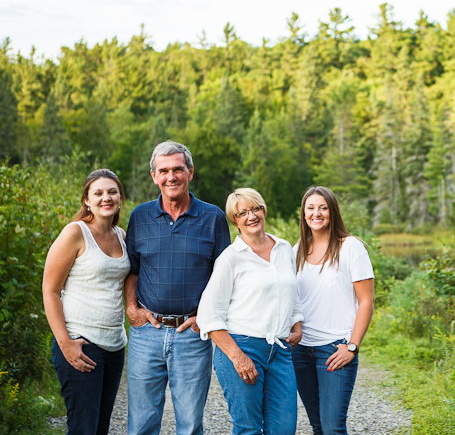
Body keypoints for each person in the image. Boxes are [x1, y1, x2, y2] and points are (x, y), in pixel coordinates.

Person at [124, 141, 231, 435]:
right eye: (164, 171)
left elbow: (225, 279)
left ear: (190, 172)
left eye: (178, 169)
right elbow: (132, 270)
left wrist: (205, 318)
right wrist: (132, 309)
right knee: (141, 423)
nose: (171, 176)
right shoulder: (140, 216)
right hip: (147, 333)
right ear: (154, 176)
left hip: (192, 334)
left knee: (189, 424)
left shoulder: (213, 218)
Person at [197, 188, 303, 435]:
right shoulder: (230, 259)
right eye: (242, 212)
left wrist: (296, 323)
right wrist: (238, 357)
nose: (251, 216)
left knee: (284, 429)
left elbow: (290, 291)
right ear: (235, 221)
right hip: (243, 347)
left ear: (264, 210)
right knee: (249, 429)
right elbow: (209, 316)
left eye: (255, 208)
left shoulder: (284, 248)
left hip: (280, 351)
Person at [42, 169, 129, 435]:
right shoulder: (75, 233)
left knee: (101, 427)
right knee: (83, 428)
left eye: (112, 192)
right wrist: (66, 343)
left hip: (115, 345)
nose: (107, 198)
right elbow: (50, 290)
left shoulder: (122, 236)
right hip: (81, 342)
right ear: (87, 201)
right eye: (99, 193)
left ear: (120, 198)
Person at [292, 186, 375, 435]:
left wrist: (352, 346)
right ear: (304, 214)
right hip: (300, 351)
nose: (316, 213)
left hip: (334, 349)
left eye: (323, 208)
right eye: (311, 208)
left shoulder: (351, 247)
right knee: (318, 426)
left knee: (332, 428)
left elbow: (367, 301)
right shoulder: (297, 250)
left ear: (332, 211)